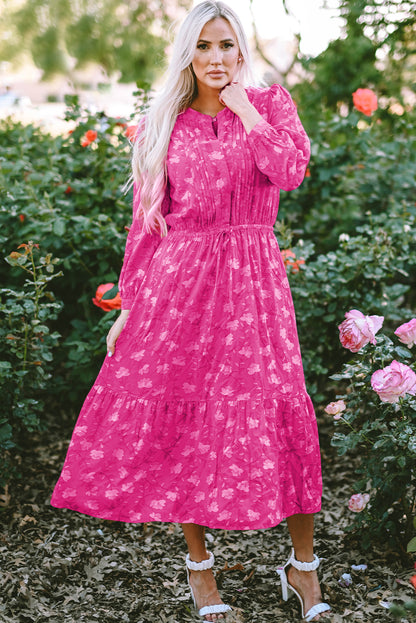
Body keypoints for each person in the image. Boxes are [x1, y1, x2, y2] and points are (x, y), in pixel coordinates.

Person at [51, 1, 331, 621]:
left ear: (242, 50)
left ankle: (303, 567)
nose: (216, 59)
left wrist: (245, 112)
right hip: (181, 291)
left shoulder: (273, 106)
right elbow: (148, 228)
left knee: (279, 405)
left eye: (227, 45)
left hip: (254, 288)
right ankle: (201, 572)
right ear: (187, 54)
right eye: (202, 47)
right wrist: (128, 305)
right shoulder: (166, 125)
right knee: (187, 422)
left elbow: (288, 172)